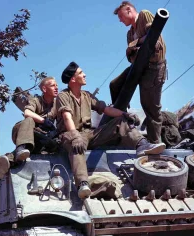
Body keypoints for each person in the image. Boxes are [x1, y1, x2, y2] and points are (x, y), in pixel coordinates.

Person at [56, 62, 165, 199]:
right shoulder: (63, 96)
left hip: (89, 134)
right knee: (76, 146)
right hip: (70, 134)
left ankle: (142, 145)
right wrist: (75, 135)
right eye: (80, 73)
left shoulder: (87, 96)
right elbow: (67, 117)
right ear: (73, 79)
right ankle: (82, 183)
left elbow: (106, 109)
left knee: (120, 122)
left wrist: (124, 115)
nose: (84, 75)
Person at [110, 1, 167, 145]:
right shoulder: (130, 33)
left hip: (154, 68)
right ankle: (123, 116)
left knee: (150, 106)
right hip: (138, 66)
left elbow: (153, 38)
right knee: (115, 84)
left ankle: (155, 142)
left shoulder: (144, 15)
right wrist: (136, 45)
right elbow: (130, 57)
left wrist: (134, 45)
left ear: (129, 10)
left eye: (121, 17)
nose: (120, 20)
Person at [12, 76, 59, 161]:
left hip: (39, 137)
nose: (56, 88)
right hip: (22, 131)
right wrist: (44, 121)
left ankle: (6, 160)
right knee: (29, 119)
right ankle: (21, 147)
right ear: (44, 89)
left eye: (57, 85)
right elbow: (27, 113)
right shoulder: (36, 100)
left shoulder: (57, 104)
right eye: (53, 85)